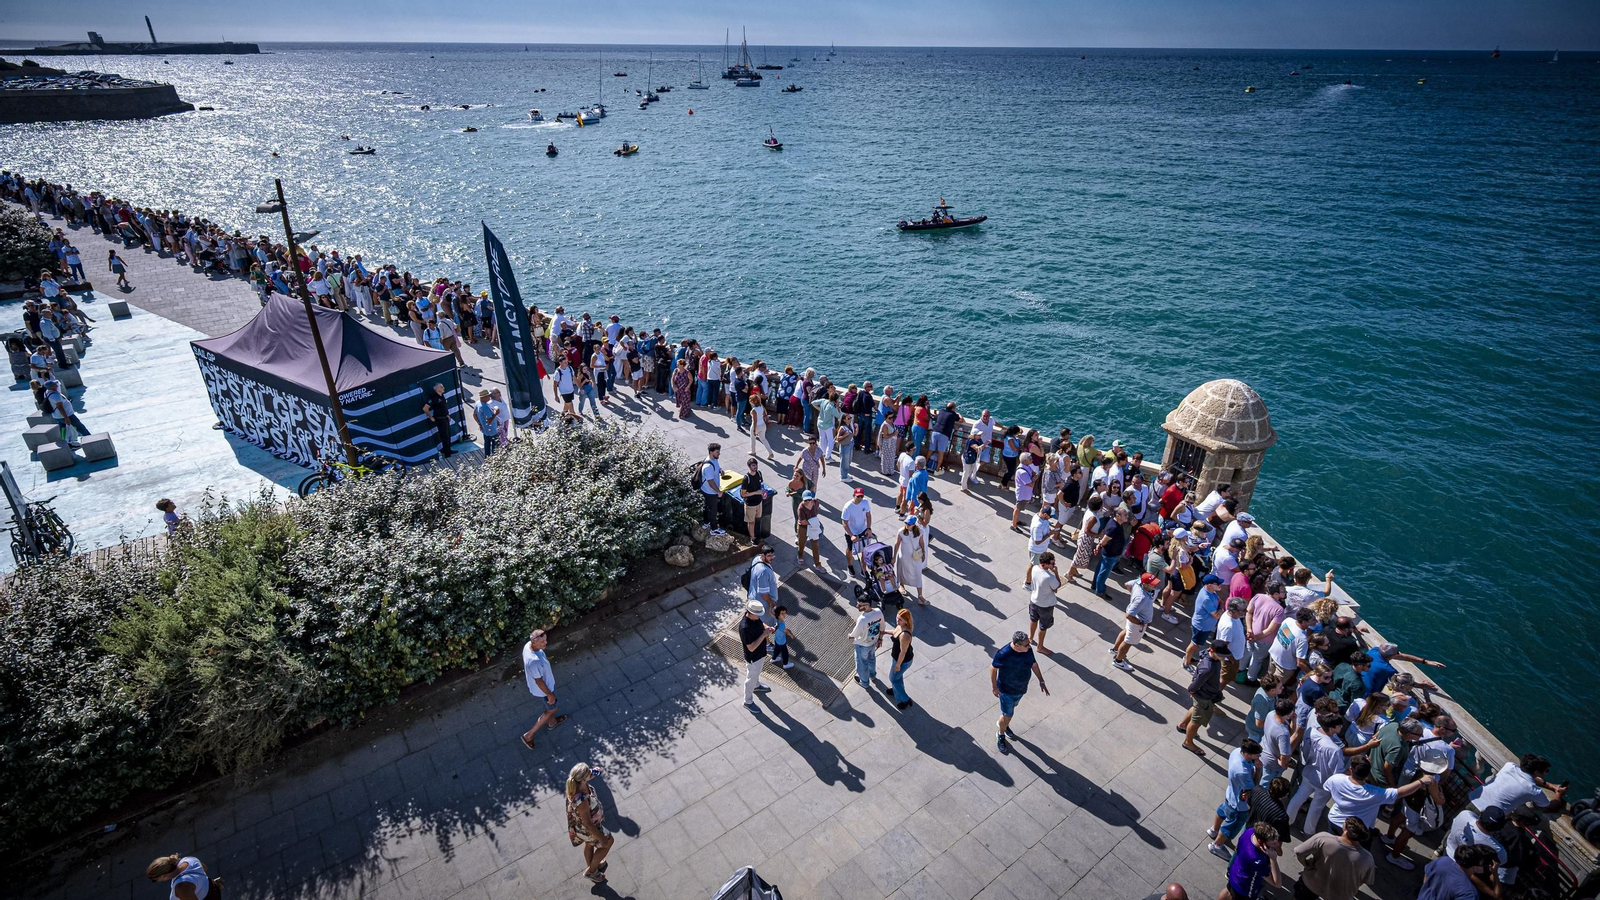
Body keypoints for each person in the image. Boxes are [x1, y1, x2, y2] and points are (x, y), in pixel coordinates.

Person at [991, 631, 1048, 754]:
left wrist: (1041, 681)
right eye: (1026, 645)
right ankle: (1000, 734)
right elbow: (993, 668)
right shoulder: (1003, 654)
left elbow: (1033, 664)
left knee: (1010, 711)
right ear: (1017, 645)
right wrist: (995, 687)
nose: (1029, 647)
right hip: (1006, 691)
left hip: (1021, 689)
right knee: (1007, 714)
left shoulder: (1027, 650)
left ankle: (1005, 726)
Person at [1293, 817, 1375, 900]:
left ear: (1346, 830)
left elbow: (1299, 852)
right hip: (1341, 895)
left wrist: (1306, 864)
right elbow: (1364, 880)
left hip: (1313, 883)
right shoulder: (1367, 858)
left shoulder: (1324, 838)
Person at [1208, 739, 1264, 858]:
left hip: (1231, 795)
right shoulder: (1242, 772)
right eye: (1257, 755)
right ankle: (1216, 846)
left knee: (1222, 811)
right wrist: (1259, 770)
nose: (1259, 757)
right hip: (1239, 805)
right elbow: (1254, 788)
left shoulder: (1237, 751)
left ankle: (1214, 830)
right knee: (1230, 826)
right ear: (1248, 754)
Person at [1471, 752, 1569, 816]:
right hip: (1488, 815)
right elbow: (1551, 806)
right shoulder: (1533, 790)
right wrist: (1558, 794)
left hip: (1473, 799)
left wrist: (1549, 785)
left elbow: (1527, 777)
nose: (1546, 772)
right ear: (1537, 772)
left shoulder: (1509, 766)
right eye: (1546, 771)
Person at [565, 762, 615, 883]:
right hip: (589, 829)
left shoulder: (577, 784)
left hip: (584, 828)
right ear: (582, 779)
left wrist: (595, 771)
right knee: (608, 842)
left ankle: (594, 864)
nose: (591, 773)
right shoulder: (581, 800)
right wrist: (601, 838)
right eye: (589, 772)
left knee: (589, 844)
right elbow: (588, 823)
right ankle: (591, 871)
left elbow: (591, 773)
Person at [1179, 641, 1230, 756]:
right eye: (1221, 655)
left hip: (1205, 694)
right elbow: (1197, 682)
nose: (1223, 658)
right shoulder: (1208, 668)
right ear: (1212, 651)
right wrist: (1192, 690)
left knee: (1196, 708)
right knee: (1197, 720)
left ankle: (1183, 725)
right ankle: (1188, 742)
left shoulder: (1212, 658)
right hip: (1204, 695)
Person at [520, 629, 566, 749]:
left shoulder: (528, 646)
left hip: (541, 689)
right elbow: (539, 681)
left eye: (545, 640)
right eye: (542, 642)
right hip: (544, 690)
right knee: (552, 708)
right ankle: (529, 735)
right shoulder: (533, 661)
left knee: (549, 708)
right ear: (534, 642)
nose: (545, 643)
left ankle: (552, 722)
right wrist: (550, 694)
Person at [1111, 572, 1159, 672]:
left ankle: (1115, 649)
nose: (1155, 585)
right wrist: (1139, 623)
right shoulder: (1141, 598)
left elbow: (1127, 584)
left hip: (1134, 618)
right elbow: (1128, 615)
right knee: (1128, 642)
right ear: (1145, 584)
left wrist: (1133, 595)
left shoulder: (1138, 582)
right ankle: (1118, 661)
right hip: (1137, 621)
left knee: (1125, 632)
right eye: (1152, 583)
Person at [1220, 824, 1282, 900]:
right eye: (1273, 844)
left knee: (1227, 892)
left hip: (1235, 873)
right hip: (1245, 888)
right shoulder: (1257, 859)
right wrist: (1273, 859)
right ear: (1260, 842)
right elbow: (1277, 884)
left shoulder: (1250, 832)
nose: (1276, 845)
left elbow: (1238, 848)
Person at [1419, 844, 1499, 900]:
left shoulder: (1443, 861)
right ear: (1475, 867)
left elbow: (1426, 876)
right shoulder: (1470, 894)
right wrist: (1494, 874)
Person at [1184, 573, 1226, 671]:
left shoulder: (1211, 592)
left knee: (1196, 644)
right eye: (1217, 584)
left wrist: (1220, 607)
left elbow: (1220, 602)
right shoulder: (1206, 598)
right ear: (1210, 585)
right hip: (1201, 626)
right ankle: (1186, 662)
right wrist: (1221, 608)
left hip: (1204, 625)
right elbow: (1216, 614)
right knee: (1194, 644)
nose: (1220, 585)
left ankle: (1189, 657)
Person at [740, 600, 775, 711]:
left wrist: (767, 628)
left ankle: (756, 686)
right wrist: (764, 634)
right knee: (750, 679)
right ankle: (747, 701)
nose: (759, 616)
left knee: (756, 674)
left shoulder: (754, 618)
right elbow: (751, 648)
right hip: (753, 658)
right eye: (758, 614)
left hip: (760, 654)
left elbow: (760, 623)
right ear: (750, 612)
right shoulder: (745, 628)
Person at [1027, 551, 1061, 655]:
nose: (1054, 565)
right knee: (1043, 627)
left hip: (1034, 600)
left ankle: (1030, 638)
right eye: (1052, 563)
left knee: (1033, 619)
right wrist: (1056, 573)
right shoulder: (1049, 577)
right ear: (1044, 564)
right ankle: (1040, 647)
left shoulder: (1035, 568)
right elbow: (1056, 587)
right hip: (1045, 605)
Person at [849, 595, 885, 689]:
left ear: (867, 606)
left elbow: (855, 634)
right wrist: (880, 639)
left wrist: (850, 636)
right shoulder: (878, 612)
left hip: (862, 645)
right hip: (873, 642)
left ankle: (864, 682)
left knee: (862, 664)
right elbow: (882, 627)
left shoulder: (862, 619)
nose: (857, 606)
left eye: (860, 605)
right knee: (871, 659)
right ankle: (872, 675)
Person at [1091, 509, 1130, 597]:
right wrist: (1100, 545)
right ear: (1118, 516)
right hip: (1110, 554)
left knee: (1100, 569)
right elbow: (1105, 540)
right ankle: (1100, 590)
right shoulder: (1114, 527)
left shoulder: (1114, 522)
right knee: (1104, 573)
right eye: (1125, 515)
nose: (1127, 516)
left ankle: (1095, 584)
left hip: (1110, 553)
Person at [893, 514, 928, 604]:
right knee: (902, 572)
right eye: (906, 523)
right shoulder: (901, 532)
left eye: (909, 524)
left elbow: (921, 543)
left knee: (917, 575)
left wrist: (923, 553)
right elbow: (897, 544)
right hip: (904, 557)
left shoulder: (920, 532)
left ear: (914, 524)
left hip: (915, 557)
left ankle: (920, 596)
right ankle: (901, 585)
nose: (907, 525)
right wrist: (894, 557)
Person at [145, 855, 213, 900]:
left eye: (155, 880)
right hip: (210, 887)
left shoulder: (181, 888)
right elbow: (205, 869)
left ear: (163, 876)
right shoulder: (189, 860)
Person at [885, 608, 915, 710]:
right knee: (897, 678)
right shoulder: (900, 626)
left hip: (902, 661)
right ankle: (896, 690)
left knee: (893, 678)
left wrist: (898, 665)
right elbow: (894, 632)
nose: (897, 621)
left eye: (900, 620)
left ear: (906, 621)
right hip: (898, 658)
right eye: (897, 618)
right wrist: (884, 632)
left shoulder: (905, 635)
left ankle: (905, 699)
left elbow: (903, 652)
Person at [1024, 505, 1058, 588]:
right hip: (1037, 549)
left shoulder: (1042, 518)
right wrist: (1049, 534)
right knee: (1033, 565)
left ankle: (1031, 580)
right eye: (1050, 516)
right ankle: (1027, 583)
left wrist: (1049, 531)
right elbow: (1037, 541)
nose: (1050, 518)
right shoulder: (1038, 525)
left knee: (1035, 565)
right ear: (1045, 514)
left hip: (1041, 548)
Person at [841, 487, 873, 575]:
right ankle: (850, 565)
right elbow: (844, 522)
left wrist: (869, 528)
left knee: (864, 550)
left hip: (863, 529)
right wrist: (851, 535)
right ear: (853, 495)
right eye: (858, 497)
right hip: (852, 532)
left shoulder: (865, 502)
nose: (859, 499)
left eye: (861, 497)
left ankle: (864, 569)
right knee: (850, 549)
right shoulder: (848, 507)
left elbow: (868, 515)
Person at [698, 443, 725, 535]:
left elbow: (716, 467)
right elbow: (710, 482)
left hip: (706, 490)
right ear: (711, 452)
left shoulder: (713, 460)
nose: (719, 454)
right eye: (717, 452)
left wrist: (720, 470)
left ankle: (706, 523)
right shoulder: (708, 466)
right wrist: (718, 491)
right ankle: (714, 529)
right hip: (710, 492)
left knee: (707, 507)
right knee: (713, 510)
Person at [740, 458, 769, 544]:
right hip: (750, 504)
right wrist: (756, 492)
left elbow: (761, 485)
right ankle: (752, 538)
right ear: (749, 467)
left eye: (756, 465)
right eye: (753, 465)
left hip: (759, 502)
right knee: (751, 522)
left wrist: (763, 492)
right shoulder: (746, 478)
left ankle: (756, 535)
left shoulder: (759, 473)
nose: (755, 467)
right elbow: (743, 494)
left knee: (757, 519)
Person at [422, 383, 454, 458]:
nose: (443, 388)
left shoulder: (442, 395)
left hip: (445, 418)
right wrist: (430, 416)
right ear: (437, 389)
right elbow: (425, 408)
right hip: (440, 419)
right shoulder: (433, 397)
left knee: (448, 435)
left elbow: (443, 407)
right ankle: (447, 454)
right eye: (441, 387)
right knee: (444, 436)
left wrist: (447, 415)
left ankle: (449, 450)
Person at [747, 544, 779, 616]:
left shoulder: (757, 558)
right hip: (764, 604)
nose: (772, 558)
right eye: (769, 556)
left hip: (756, 598)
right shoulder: (763, 571)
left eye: (772, 555)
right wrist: (771, 603)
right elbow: (764, 594)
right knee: (767, 622)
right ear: (762, 555)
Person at [795, 491, 824, 568]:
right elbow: (803, 522)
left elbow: (816, 510)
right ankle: (800, 555)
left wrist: (812, 522)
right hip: (803, 527)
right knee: (802, 543)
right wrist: (813, 521)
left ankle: (818, 564)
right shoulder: (801, 508)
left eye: (809, 499)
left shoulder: (815, 502)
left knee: (815, 546)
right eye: (805, 500)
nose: (807, 501)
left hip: (812, 526)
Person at [474, 389, 501, 456]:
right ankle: (495, 460)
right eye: (488, 396)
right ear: (484, 397)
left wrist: (479, 423)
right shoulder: (484, 407)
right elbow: (488, 420)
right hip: (492, 431)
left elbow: (474, 415)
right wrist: (495, 414)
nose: (490, 397)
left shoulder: (477, 403)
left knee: (487, 445)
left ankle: (487, 459)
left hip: (485, 430)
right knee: (495, 448)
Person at [770, 605, 793, 669]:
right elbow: (786, 631)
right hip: (782, 642)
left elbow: (771, 613)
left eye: (785, 613)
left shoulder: (775, 618)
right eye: (782, 613)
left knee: (777, 650)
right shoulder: (782, 624)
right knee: (785, 653)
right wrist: (791, 635)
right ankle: (786, 664)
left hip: (777, 640)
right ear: (778, 614)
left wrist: (770, 607)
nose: (784, 615)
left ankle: (774, 658)